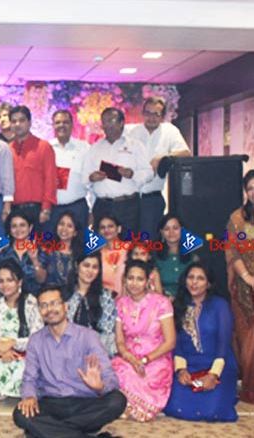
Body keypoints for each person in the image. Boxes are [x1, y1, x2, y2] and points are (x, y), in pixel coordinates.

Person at [13, 287, 127, 438]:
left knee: (117, 400)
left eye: (54, 303)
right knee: (20, 414)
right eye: (44, 305)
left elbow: (110, 377)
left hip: (84, 403)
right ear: (39, 311)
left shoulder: (88, 336)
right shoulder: (36, 340)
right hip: (51, 403)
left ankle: (50, 431)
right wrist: (29, 396)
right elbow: (29, 378)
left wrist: (100, 387)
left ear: (65, 306)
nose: (49, 309)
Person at [164, 263, 238, 421]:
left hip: (218, 365)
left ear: (208, 284)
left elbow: (224, 344)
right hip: (190, 366)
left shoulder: (220, 306)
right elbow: (178, 344)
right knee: (175, 407)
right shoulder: (178, 306)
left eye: (200, 278)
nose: (194, 282)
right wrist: (181, 370)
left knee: (212, 411)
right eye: (191, 277)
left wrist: (213, 374)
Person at [112, 259, 176, 422]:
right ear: (124, 280)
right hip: (129, 358)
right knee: (116, 370)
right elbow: (120, 342)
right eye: (130, 278)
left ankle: (135, 406)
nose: (134, 283)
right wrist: (131, 358)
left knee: (145, 376)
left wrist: (145, 360)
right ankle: (125, 405)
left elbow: (170, 342)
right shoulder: (120, 304)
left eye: (140, 279)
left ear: (148, 281)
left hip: (156, 358)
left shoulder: (161, 303)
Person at [0, 261, 43, 399]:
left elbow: (37, 337)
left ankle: (17, 390)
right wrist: (3, 350)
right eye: (1, 281)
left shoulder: (31, 302)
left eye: (10, 280)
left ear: (19, 282)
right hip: (1, 348)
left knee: (27, 362)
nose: (5, 285)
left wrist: (13, 343)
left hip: (24, 349)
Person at [128, 97, 191, 240]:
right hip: (130, 200)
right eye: (148, 113)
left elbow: (186, 153)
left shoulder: (169, 131)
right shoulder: (132, 133)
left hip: (152, 200)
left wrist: (162, 157)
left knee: (150, 243)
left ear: (162, 116)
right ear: (143, 113)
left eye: (156, 114)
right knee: (129, 242)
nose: (151, 117)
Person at [83, 107, 153, 233]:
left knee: (128, 242)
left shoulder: (135, 145)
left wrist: (132, 174)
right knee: (101, 243)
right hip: (102, 206)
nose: (107, 125)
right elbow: (84, 178)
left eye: (111, 120)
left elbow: (149, 173)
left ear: (121, 123)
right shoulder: (94, 148)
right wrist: (91, 177)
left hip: (128, 206)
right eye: (104, 121)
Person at [224, 168, 254, 404]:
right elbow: (233, 251)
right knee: (246, 341)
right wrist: (248, 278)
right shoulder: (238, 219)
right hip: (245, 288)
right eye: (250, 188)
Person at [8, 105, 57, 231]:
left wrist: (46, 208)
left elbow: (50, 179)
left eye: (22, 120)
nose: (17, 124)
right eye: (14, 121)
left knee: (38, 243)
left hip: (37, 210)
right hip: (15, 210)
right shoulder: (8, 149)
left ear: (29, 123)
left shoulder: (43, 146)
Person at [64, 252, 117, 356]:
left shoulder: (105, 296)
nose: (90, 271)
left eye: (95, 267)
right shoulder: (65, 295)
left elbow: (107, 333)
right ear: (77, 266)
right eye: (86, 265)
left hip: (97, 354)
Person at [47, 110, 90, 234]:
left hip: (77, 207)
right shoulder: (46, 148)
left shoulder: (84, 148)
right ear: (53, 125)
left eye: (65, 122)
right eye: (58, 122)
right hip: (52, 209)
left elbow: (91, 181)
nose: (61, 125)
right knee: (51, 244)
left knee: (79, 243)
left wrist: (91, 209)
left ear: (72, 125)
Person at [0, 212, 47, 295]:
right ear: (10, 230)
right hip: (8, 298)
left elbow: (42, 280)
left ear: (30, 228)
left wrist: (35, 261)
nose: (18, 229)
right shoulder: (2, 253)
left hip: (35, 297)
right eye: (14, 226)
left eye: (22, 225)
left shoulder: (39, 251)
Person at [156, 214, 199, 299]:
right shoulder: (155, 258)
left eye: (175, 228)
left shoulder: (193, 257)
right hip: (161, 302)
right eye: (167, 229)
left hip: (188, 301)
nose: (171, 232)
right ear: (161, 232)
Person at [42, 211, 81, 286]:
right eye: (61, 224)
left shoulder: (80, 255)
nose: (64, 229)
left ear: (75, 232)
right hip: (49, 291)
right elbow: (40, 279)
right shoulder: (47, 251)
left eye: (69, 226)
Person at [98, 215, 127, 296]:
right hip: (106, 299)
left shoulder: (130, 249)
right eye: (102, 227)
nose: (106, 230)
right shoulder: (97, 254)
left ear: (119, 229)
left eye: (110, 226)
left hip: (130, 300)